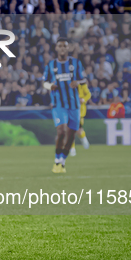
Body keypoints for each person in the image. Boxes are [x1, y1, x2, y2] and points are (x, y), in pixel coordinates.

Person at [43, 38, 86, 174]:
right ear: (56, 48)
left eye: (64, 46)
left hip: (74, 104)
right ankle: (56, 160)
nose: (62, 48)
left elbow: (84, 79)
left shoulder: (76, 63)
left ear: (68, 48)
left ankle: (62, 161)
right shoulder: (51, 65)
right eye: (60, 46)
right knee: (61, 132)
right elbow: (44, 82)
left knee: (71, 134)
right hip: (58, 104)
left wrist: (78, 82)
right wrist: (50, 85)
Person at [70, 81, 92, 156]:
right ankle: (72, 149)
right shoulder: (67, 85)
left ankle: (83, 138)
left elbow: (88, 94)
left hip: (80, 111)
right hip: (70, 110)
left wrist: (83, 99)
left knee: (78, 130)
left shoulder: (82, 85)